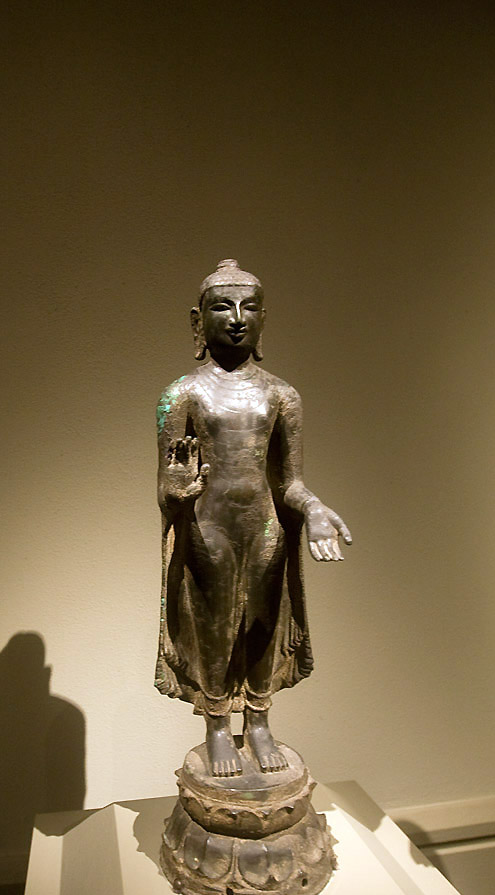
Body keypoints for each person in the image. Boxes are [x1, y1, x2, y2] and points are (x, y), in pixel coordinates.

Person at [155, 259, 351, 778]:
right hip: (208, 528)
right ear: (198, 320)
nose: (238, 318)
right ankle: (218, 724)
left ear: (264, 318)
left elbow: (290, 483)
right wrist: (177, 492)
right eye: (223, 306)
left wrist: (315, 510)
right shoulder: (182, 394)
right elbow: (166, 485)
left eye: (250, 307)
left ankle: (259, 720)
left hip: (264, 527)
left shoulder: (282, 395)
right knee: (216, 626)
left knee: (263, 623)